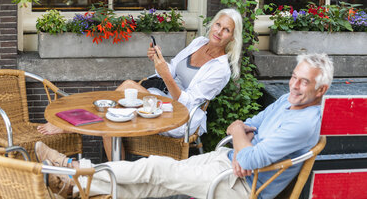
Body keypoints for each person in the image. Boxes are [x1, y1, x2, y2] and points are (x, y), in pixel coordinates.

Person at [35, 53, 334, 199]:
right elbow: (246, 124)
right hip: (229, 165)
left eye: (304, 81)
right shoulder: (288, 102)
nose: (294, 85)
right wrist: (240, 136)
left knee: (155, 170)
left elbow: (249, 157)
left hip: (242, 186)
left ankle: (72, 170)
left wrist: (242, 142)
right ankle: (75, 184)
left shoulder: (303, 123)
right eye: (294, 77)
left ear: (320, 90)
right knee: (153, 180)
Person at [37, 8, 243, 159]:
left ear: (232, 37)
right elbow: (170, 70)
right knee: (121, 98)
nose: (219, 31)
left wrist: (167, 76)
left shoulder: (221, 69)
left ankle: (75, 126)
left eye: (226, 30)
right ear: (213, 23)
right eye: (218, 24)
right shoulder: (199, 42)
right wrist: (158, 59)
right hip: (161, 98)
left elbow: (187, 103)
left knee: (121, 99)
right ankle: (118, 170)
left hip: (181, 115)